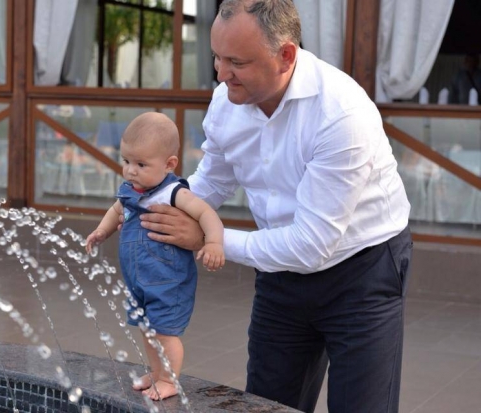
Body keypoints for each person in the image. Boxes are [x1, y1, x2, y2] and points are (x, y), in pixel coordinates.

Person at [136, 1, 413, 412]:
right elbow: (212, 180)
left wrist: (208, 238)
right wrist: (150, 207)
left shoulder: (341, 114)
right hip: (279, 270)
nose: (221, 73)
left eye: (236, 62)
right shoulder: (225, 101)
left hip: (363, 269)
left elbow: (311, 245)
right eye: (216, 57)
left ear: (286, 55)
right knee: (267, 403)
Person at [85, 111, 225, 401]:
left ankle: (169, 380)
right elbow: (116, 211)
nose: (131, 171)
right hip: (140, 279)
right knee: (147, 329)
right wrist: (101, 231)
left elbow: (206, 213)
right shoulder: (130, 191)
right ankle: (157, 370)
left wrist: (213, 243)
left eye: (141, 164)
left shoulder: (172, 192)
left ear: (169, 164)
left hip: (167, 280)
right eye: (126, 161)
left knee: (165, 332)